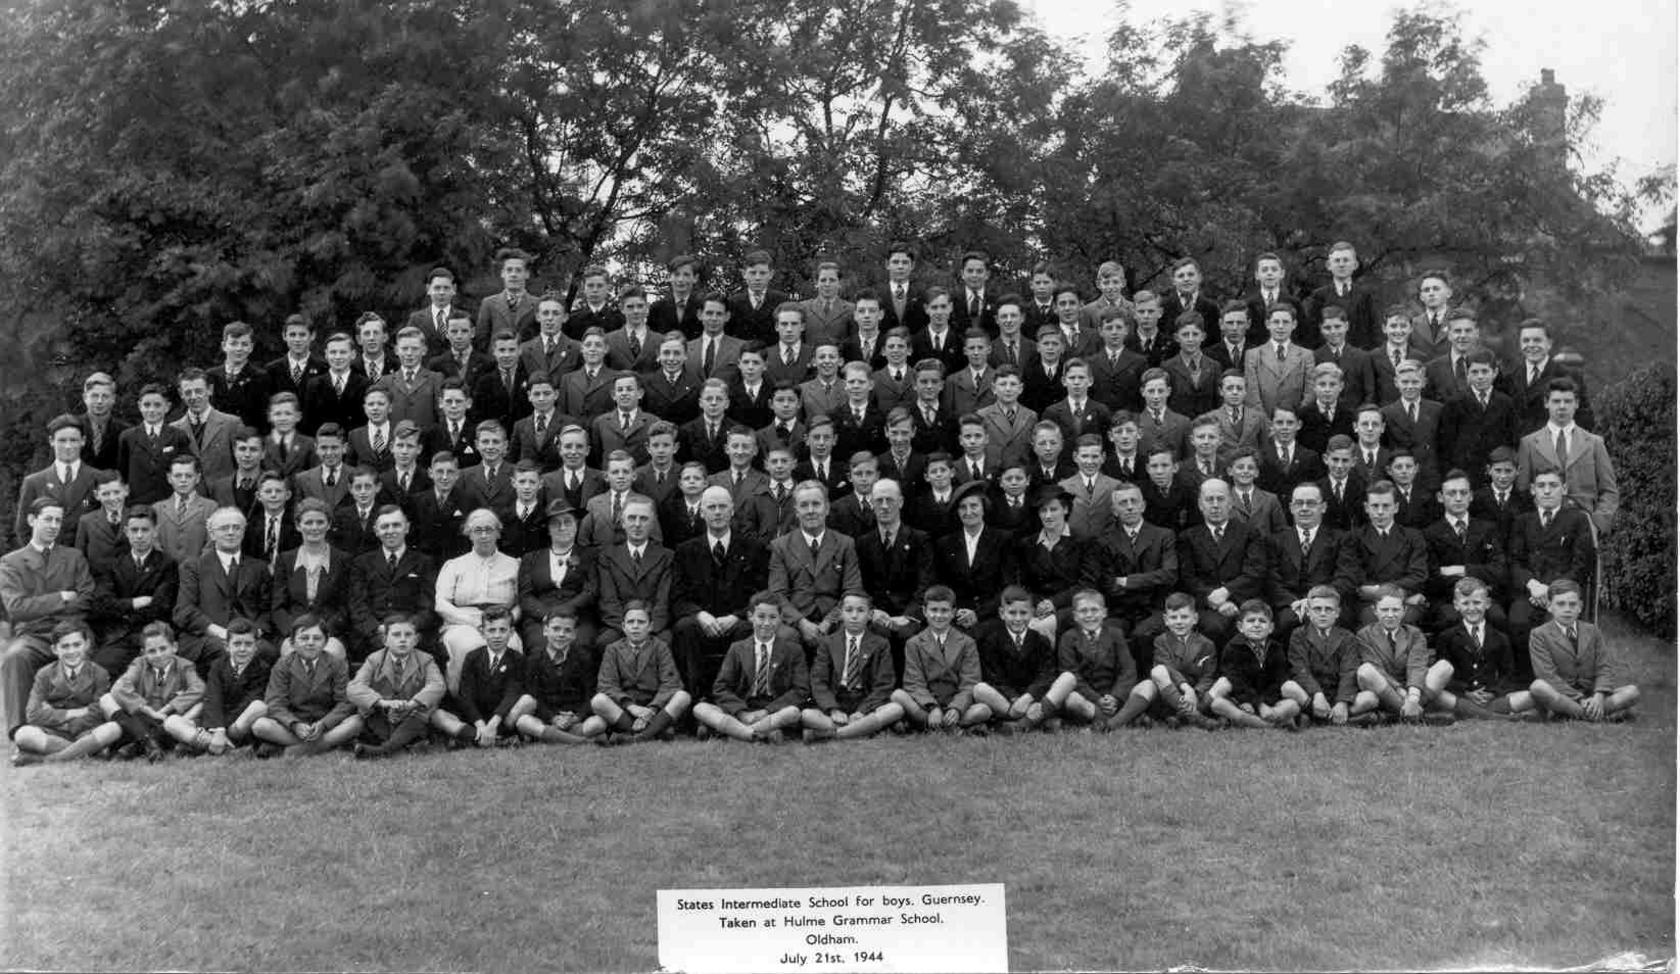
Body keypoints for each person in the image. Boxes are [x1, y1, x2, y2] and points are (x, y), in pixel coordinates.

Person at [2, 499, 96, 737]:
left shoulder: (74, 557)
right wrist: (62, 597)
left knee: (90, 651)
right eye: (48, 519)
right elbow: (16, 608)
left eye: (58, 520)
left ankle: (81, 726)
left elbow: (87, 598)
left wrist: (42, 606)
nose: (54, 525)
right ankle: (20, 730)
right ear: (32, 520)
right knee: (15, 656)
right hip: (34, 634)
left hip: (72, 630)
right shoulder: (11, 562)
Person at [669, 486, 768, 699]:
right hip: (702, 622)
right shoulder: (685, 550)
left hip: (736, 621)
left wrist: (737, 616)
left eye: (722, 506)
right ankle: (696, 700)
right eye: (711, 507)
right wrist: (700, 615)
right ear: (701, 512)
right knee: (684, 628)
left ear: (732, 510)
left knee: (749, 629)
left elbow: (760, 594)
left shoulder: (754, 547)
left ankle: (735, 700)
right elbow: (678, 597)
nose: (717, 512)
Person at [694, 592, 810, 743]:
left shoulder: (793, 650)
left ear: (780, 618)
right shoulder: (737, 648)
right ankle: (757, 733)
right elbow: (721, 687)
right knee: (700, 708)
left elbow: (800, 690)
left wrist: (766, 711)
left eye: (772, 617)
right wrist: (741, 712)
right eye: (761, 617)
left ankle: (736, 733)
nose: (766, 623)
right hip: (742, 707)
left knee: (793, 712)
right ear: (750, 617)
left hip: (773, 710)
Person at [1519, 578, 1638, 722]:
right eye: (1561, 604)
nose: (1567, 609)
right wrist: (1580, 699)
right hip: (1561, 694)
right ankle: (1590, 713)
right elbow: (1547, 675)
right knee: (1538, 687)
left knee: (1632, 692)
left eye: (1572, 604)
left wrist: (1599, 696)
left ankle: (1575, 713)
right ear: (1550, 606)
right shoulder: (1539, 634)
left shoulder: (1592, 631)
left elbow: (1604, 667)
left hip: (1591, 693)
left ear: (1580, 607)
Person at [174, 506, 274, 672]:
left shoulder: (258, 568)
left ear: (243, 532)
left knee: (266, 651)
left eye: (236, 527)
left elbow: (267, 609)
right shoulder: (194, 567)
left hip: (248, 636)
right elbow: (184, 611)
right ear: (212, 534)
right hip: (207, 637)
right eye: (224, 528)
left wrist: (255, 632)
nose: (230, 532)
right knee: (225, 652)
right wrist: (220, 632)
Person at [1515, 378, 1617, 537]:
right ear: (1546, 403)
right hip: (1542, 528)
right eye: (1556, 401)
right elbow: (1522, 490)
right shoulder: (1529, 444)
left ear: (1576, 403)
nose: (1562, 406)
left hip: (1584, 526)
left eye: (1567, 401)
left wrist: (1597, 524)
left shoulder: (1594, 443)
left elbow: (1609, 490)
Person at [10, 621, 121, 766]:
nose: (71, 651)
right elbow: (33, 714)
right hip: (54, 732)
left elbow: (97, 711)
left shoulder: (99, 673)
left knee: (114, 729)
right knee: (23, 734)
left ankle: (45, 760)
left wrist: (63, 719)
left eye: (77, 645)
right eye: (65, 646)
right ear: (55, 649)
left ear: (86, 645)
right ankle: (88, 751)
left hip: (86, 730)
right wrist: (74, 713)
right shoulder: (44, 674)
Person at [433, 508, 521, 691]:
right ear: (469, 534)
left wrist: (507, 621)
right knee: (468, 646)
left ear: (498, 532)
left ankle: (504, 703)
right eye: (477, 530)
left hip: (502, 623)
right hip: (462, 623)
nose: (483, 535)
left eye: (489, 529)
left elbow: (521, 602)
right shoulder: (454, 565)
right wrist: (472, 621)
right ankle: (463, 702)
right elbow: (441, 603)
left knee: (510, 645)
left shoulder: (514, 565)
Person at [768, 481, 863, 648]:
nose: (810, 511)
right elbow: (777, 594)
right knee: (783, 636)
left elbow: (852, 590)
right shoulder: (780, 546)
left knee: (851, 630)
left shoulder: (845, 544)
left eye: (816, 504)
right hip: (796, 621)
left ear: (826, 508)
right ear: (796, 511)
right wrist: (801, 623)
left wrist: (829, 621)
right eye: (804, 505)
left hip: (835, 619)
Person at [88, 504, 178, 677]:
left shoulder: (167, 564)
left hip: (153, 636)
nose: (139, 536)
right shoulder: (113, 564)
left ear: (155, 531)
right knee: (100, 670)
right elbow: (100, 604)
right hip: (119, 635)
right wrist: (133, 603)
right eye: (134, 530)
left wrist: (122, 610)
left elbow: (161, 606)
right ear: (126, 531)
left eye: (145, 530)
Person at [250, 615, 360, 756]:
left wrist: (324, 724)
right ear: (292, 642)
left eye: (317, 638)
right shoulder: (283, 665)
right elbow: (274, 703)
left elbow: (345, 702)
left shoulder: (336, 664)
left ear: (326, 641)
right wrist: (294, 724)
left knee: (356, 722)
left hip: (326, 724)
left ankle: (293, 750)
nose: (310, 643)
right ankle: (327, 745)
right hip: (294, 726)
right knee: (260, 725)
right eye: (304, 638)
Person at [1349, 587, 1456, 725]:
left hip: (1413, 690)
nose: (1390, 615)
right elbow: (1376, 667)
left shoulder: (1414, 634)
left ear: (1404, 611)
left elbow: (1416, 666)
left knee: (1444, 667)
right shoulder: (1364, 635)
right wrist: (1400, 691)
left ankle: (1397, 715)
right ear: (1375, 610)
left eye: (1395, 610)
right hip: (1384, 689)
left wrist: (1412, 697)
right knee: (1366, 670)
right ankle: (1418, 716)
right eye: (1384, 610)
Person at [589, 601, 691, 744]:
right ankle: (656, 731)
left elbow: (671, 683)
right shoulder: (613, 649)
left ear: (650, 626)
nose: (635, 626)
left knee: (682, 697)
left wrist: (652, 709)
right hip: (626, 711)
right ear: (623, 626)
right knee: (598, 701)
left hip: (654, 710)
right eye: (631, 622)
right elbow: (606, 685)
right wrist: (631, 706)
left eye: (641, 622)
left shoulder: (660, 647)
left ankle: (637, 737)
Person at [889, 586, 987, 732]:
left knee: (983, 710)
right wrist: (933, 707)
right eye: (934, 610)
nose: (939, 616)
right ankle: (950, 726)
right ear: (924, 612)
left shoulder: (967, 642)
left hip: (954, 702)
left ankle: (932, 725)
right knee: (898, 696)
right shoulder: (913, 643)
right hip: (926, 705)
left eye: (944, 611)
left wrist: (956, 708)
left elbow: (970, 682)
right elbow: (913, 683)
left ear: (953, 612)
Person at [105, 621, 207, 760]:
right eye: (152, 651)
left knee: (199, 705)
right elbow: (118, 689)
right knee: (107, 699)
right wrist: (149, 711)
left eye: (163, 648)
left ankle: (139, 746)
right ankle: (148, 742)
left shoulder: (185, 666)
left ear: (174, 647)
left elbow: (199, 688)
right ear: (143, 653)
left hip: (168, 720)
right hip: (143, 720)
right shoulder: (139, 664)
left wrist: (166, 709)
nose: (159, 655)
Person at [1041, 589, 1141, 729]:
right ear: (1075, 616)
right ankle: (1109, 719)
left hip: (1112, 696)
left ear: (1104, 613)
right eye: (1083, 611)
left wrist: (1115, 697)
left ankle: (1106, 717)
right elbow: (1072, 673)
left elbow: (1128, 669)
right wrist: (1097, 699)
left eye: (1094, 610)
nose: (1089, 615)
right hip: (1086, 697)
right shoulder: (1068, 638)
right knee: (1072, 700)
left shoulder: (1115, 634)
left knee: (1140, 690)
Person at [271, 498, 352, 660]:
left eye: (320, 522)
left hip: (330, 632)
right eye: (308, 522)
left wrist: (322, 632)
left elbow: (345, 606)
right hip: (294, 632)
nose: (314, 528)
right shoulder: (285, 560)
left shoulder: (343, 559)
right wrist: (296, 633)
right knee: (292, 654)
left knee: (331, 653)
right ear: (298, 525)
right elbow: (278, 607)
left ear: (328, 525)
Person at [970, 586, 1057, 733]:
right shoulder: (992, 641)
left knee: (1058, 687)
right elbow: (994, 677)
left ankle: (1017, 723)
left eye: (1023, 613)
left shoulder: (1040, 640)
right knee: (980, 690)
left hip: (1033, 697)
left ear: (1032, 613)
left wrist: (1028, 697)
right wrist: (1015, 699)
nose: (1018, 618)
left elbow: (1046, 675)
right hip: (1007, 700)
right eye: (1012, 613)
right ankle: (1027, 719)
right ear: (1002, 613)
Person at [510, 610, 605, 745]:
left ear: (574, 634)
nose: (561, 634)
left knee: (598, 723)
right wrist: (553, 718)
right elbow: (534, 695)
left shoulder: (584, 658)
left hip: (574, 719)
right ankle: (581, 741)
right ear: (545, 630)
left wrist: (577, 717)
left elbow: (590, 694)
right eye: (556, 629)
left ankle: (550, 737)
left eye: (567, 630)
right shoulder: (534, 659)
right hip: (547, 718)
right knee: (523, 721)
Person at [1432, 578, 1519, 720]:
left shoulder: (1500, 637)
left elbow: (1508, 674)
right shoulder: (1447, 636)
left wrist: (1493, 692)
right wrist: (1465, 691)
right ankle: (1497, 717)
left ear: (1487, 603)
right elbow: (1443, 675)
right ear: (1456, 605)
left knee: (1528, 696)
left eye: (1477, 602)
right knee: (1438, 695)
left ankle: (1475, 712)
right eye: (1465, 603)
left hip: (1491, 698)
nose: (1472, 608)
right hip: (1461, 697)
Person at [13, 414, 103, 547]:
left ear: (83, 441)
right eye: (62, 440)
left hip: (85, 562)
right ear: (51, 441)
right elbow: (24, 528)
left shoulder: (98, 478)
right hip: (47, 562)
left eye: (73, 440)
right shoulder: (34, 482)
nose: (68, 446)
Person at [1209, 600, 1300, 730]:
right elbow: (1236, 681)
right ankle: (1269, 725)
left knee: (1293, 705)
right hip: (1241, 701)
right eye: (1251, 621)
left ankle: (1248, 722)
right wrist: (1254, 704)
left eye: (1262, 621)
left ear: (1271, 628)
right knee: (1218, 704)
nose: (1257, 625)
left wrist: (1265, 704)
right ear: (1240, 627)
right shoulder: (1232, 648)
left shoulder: (1276, 648)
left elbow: (1279, 679)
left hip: (1270, 702)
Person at [1280, 586, 1361, 726]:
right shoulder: (1298, 635)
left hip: (1337, 693)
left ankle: (1324, 716)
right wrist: (1317, 694)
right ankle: (1340, 718)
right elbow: (1300, 669)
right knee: (1289, 688)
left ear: (1337, 613)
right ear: (1309, 612)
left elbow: (1349, 671)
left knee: (1370, 698)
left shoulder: (1348, 637)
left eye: (1328, 609)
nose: (1323, 614)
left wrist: (1342, 701)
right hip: (1311, 695)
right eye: (1317, 609)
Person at [1139, 592, 1222, 729]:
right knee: (1158, 671)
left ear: (1195, 618)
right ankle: (1196, 717)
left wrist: (1194, 693)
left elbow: (1208, 676)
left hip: (1197, 695)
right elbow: (1168, 668)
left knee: (1222, 683)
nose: (1179, 622)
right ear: (1166, 620)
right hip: (1171, 692)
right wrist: (1186, 688)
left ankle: (1180, 716)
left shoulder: (1207, 644)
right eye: (1173, 617)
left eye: (1184, 617)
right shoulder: (1161, 641)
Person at [193, 618, 270, 754]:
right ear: (227, 646)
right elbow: (213, 697)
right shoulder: (217, 666)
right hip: (217, 722)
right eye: (237, 644)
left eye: (248, 644)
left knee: (258, 706)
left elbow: (248, 701)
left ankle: (208, 743)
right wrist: (218, 728)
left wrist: (224, 729)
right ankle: (223, 746)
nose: (242, 649)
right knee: (173, 722)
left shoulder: (262, 669)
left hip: (238, 724)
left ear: (256, 646)